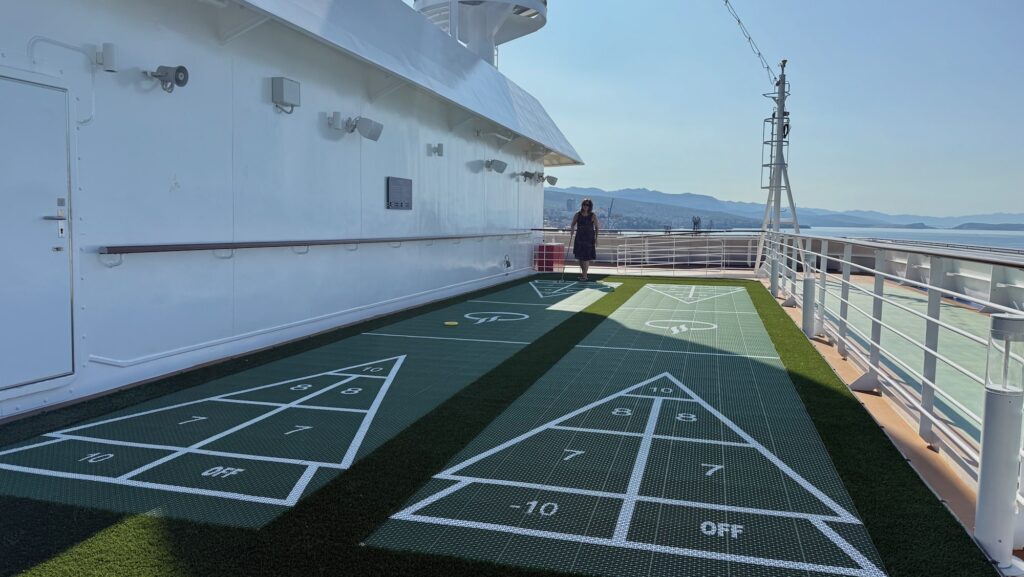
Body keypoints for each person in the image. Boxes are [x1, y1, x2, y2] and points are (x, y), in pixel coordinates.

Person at [570, 198, 599, 281]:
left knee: (586, 257)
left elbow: (597, 227)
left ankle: (585, 276)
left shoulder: (593, 215)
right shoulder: (577, 215)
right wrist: (572, 230)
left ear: (590, 206)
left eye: (587, 205)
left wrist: (596, 238)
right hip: (579, 238)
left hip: (589, 238)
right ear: (582, 205)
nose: (586, 206)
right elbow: (572, 224)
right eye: (584, 204)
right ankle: (583, 274)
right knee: (580, 257)